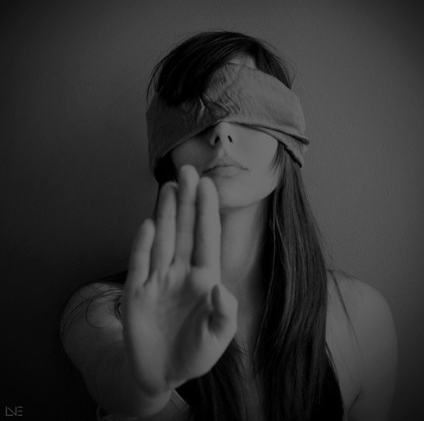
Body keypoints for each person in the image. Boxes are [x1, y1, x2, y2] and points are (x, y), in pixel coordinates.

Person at [60, 31, 397, 421]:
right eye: (193, 108)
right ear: (166, 151)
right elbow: (110, 371)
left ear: (288, 142)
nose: (221, 131)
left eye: (248, 107)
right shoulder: (101, 309)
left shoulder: (361, 319)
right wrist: (145, 383)